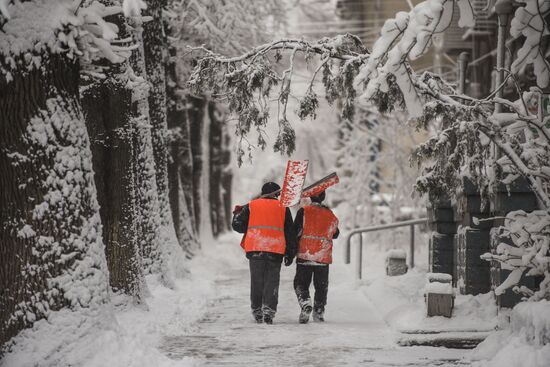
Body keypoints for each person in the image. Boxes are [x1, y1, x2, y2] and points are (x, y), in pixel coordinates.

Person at [232, 182, 296, 324]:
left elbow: (238, 226)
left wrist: (237, 213)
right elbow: (290, 232)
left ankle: (257, 311)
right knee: (272, 281)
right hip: (275, 249)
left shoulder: (251, 205)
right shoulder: (283, 208)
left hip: (255, 248)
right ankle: (269, 311)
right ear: (276, 194)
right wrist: (290, 253)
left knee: (257, 281)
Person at [293, 190, 339, 324]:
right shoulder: (330, 214)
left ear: (311, 197)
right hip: (322, 256)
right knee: (321, 286)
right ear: (323, 197)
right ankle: (319, 312)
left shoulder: (304, 211)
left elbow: (295, 230)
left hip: (305, 254)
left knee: (300, 283)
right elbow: (335, 233)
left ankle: (305, 302)